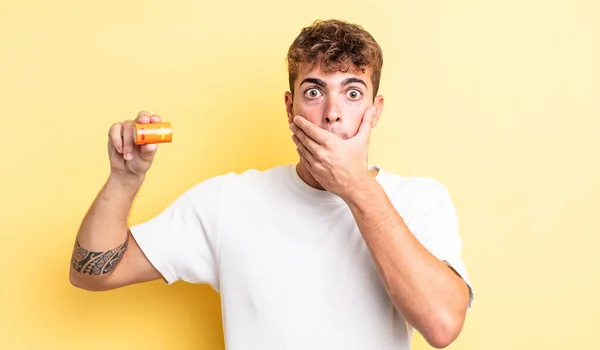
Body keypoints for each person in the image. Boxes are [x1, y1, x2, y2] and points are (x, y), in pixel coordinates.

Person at [69, 19, 474, 350]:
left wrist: (357, 188)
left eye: (352, 93)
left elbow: (442, 327)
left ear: (375, 110)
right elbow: (93, 273)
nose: (332, 114)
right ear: (289, 106)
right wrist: (125, 179)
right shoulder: (228, 202)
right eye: (314, 91)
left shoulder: (419, 199)